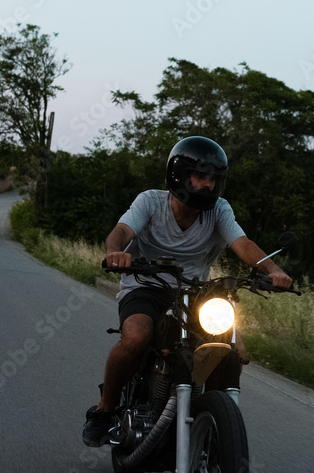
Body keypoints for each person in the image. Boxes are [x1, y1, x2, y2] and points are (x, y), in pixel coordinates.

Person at [82, 135, 292, 447]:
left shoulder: (219, 210)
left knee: (232, 350)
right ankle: (104, 409)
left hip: (196, 294)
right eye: (200, 176)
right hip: (146, 285)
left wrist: (272, 270)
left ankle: (216, 423)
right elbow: (122, 231)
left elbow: (242, 243)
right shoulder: (150, 202)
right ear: (179, 176)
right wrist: (115, 252)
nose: (208, 184)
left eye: (213, 179)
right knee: (137, 337)